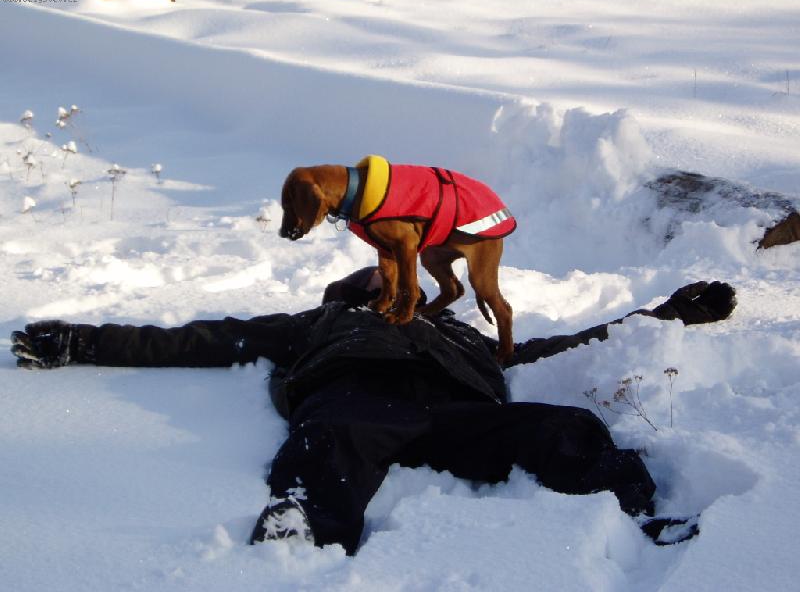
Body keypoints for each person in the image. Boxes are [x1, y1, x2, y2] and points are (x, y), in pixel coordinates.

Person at [10, 271, 736, 554]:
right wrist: (80, 340)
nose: (396, 293)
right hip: (358, 403)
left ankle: (641, 516)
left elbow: (564, 342)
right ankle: (300, 538)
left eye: (402, 286)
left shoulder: (462, 335)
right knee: (326, 440)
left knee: (564, 427)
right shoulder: (319, 325)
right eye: (376, 287)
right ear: (348, 297)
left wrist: (670, 313)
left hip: (458, 413)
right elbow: (204, 338)